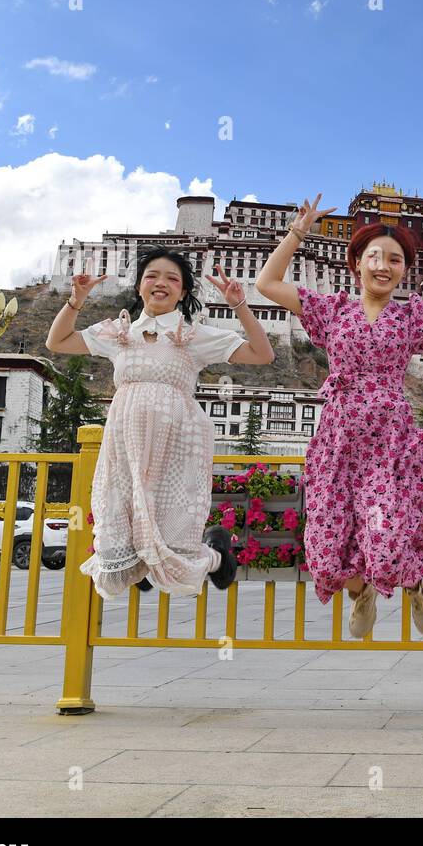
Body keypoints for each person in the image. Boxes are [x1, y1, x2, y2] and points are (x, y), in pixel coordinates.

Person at [255, 195, 423, 638]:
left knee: (385, 539)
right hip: (338, 439)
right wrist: (298, 231)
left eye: (395, 260)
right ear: (356, 263)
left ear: (405, 270)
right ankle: (358, 593)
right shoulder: (331, 310)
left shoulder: (410, 317)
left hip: (389, 442)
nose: (384, 266)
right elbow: (267, 284)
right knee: (326, 546)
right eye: (375, 257)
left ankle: (416, 583)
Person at [46, 247, 276, 599]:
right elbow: (57, 342)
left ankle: (216, 556)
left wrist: (240, 306)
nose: (161, 283)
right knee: (119, 530)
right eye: (152, 275)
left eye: (172, 279)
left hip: (177, 442)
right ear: (139, 285)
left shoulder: (192, 334)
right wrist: (76, 301)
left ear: (183, 292)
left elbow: (263, 354)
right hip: (126, 443)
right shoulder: (119, 332)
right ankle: (142, 565)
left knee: (175, 539)